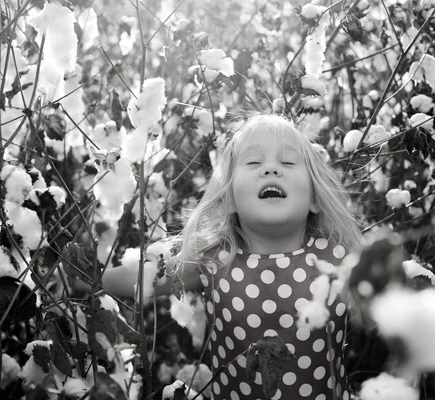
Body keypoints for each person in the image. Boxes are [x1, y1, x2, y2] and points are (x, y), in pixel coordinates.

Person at [103, 113, 363, 399]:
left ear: (314, 197)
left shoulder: (338, 258)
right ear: (229, 199)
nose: (271, 169)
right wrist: (85, 276)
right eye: (253, 162)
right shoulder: (217, 260)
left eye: (288, 162)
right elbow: (143, 279)